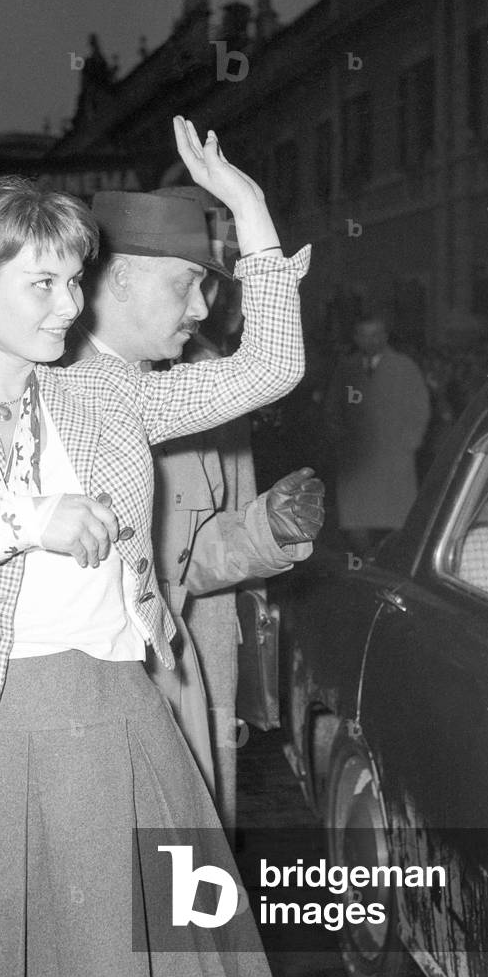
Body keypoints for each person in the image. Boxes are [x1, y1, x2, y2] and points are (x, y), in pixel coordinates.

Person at [0, 116, 309, 977]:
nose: (69, 306)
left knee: (133, 972)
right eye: (45, 283)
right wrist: (14, 523)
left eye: (75, 281)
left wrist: (245, 209)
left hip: (115, 718)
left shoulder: (105, 394)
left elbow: (269, 368)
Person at [67, 185, 323, 830]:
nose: (206, 307)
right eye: (189, 282)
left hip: (186, 668)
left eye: (214, 282)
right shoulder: (58, 383)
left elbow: (194, 550)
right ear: (119, 278)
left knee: (182, 890)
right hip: (95, 690)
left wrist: (267, 529)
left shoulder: (186, 382)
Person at [323, 310, 430, 555]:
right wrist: (340, 438)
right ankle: (366, 564)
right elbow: (333, 407)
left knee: (397, 522)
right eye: (364, 335)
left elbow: (420, 407)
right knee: (356, 523)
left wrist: (411, 441)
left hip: (394, 458)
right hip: (356, 460)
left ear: (385, 336)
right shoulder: (346, 368)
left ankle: (390, 568)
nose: (370, 340)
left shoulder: (404, 366)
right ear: (356, 337)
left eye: (375, 335)